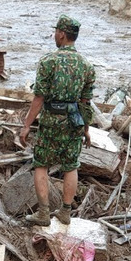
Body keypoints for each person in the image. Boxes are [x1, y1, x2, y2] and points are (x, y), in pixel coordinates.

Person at [18, 15, 95, 226]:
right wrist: (86, 128)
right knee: (71, 166)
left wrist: (26, 126)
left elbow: (39, 98)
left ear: (61, 33)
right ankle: (65, 212)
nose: (55, 35)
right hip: (74, 121)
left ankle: (43, 213)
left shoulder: (48, 61)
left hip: (52, 119)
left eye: (56, 32)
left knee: (41, 164)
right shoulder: (87, 66)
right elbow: (86, 102)